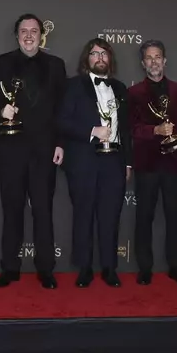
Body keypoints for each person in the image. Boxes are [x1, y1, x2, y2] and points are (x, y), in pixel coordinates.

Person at [0, 14, 66, 289]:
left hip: (44, 151)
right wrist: (1, 110)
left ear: (41, 35)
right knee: (12, 210)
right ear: (16, 34)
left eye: (34, 31)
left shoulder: (56, 65)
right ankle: (9, 268)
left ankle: (46, 269)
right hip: (10, 149)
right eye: (24, 31)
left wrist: (60, 143)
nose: (29, 35)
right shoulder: (0, 63)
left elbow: (62, 109)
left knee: (43, 211)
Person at [58, 38, 132, 288]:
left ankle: (109, 268)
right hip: (83, 160)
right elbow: (63, 122)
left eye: (104, 53)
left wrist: (129, 164)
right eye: (94, 53)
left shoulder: (121, 88)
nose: (99, 58)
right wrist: (92, 130)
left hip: (115, 161)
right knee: (83, 215)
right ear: (86, 59)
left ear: (110, 59)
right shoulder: (73, 86)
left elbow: (128, 129)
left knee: (111, 216)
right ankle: (85, 267)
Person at [128, 40, 177, 286]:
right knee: (144, 216)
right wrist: (155, 130)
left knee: (174, 216)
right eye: (149, 57)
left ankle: (176, 266)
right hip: (146, 164)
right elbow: (132, 128)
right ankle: (145, 267)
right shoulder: (134, 93)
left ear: (164, 60)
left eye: (158, 57)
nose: (154, 61)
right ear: (142, 63)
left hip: (174, 164)